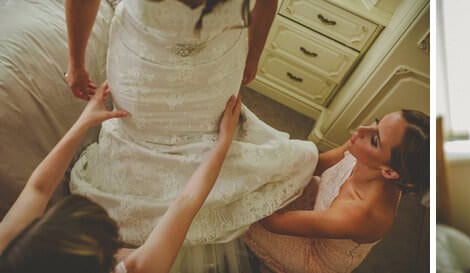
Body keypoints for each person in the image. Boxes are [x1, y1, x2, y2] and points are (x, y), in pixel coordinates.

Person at [64, 0, 318, 270]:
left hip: (218, 59)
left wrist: (253, 54)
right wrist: (76, 62)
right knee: (140, 137)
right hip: (144, 60)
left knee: (207, 139)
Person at [0, 83, 243, 273]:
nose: (120, 250)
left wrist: (84, 121)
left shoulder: (8, 250)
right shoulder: (141, 268)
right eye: (112, 249)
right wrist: (222, 144)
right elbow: (187, 201)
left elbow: (38, 189)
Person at [241, 110, 429, 273]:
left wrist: (247, 180)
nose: (362, 128)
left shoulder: (359, 213)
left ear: (389, 172)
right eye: (377, 122)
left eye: (375, 140)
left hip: (313, 253)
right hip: (321, 208)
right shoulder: (363, 149)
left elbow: (274, 223)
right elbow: (314, 165)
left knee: (241, 213)